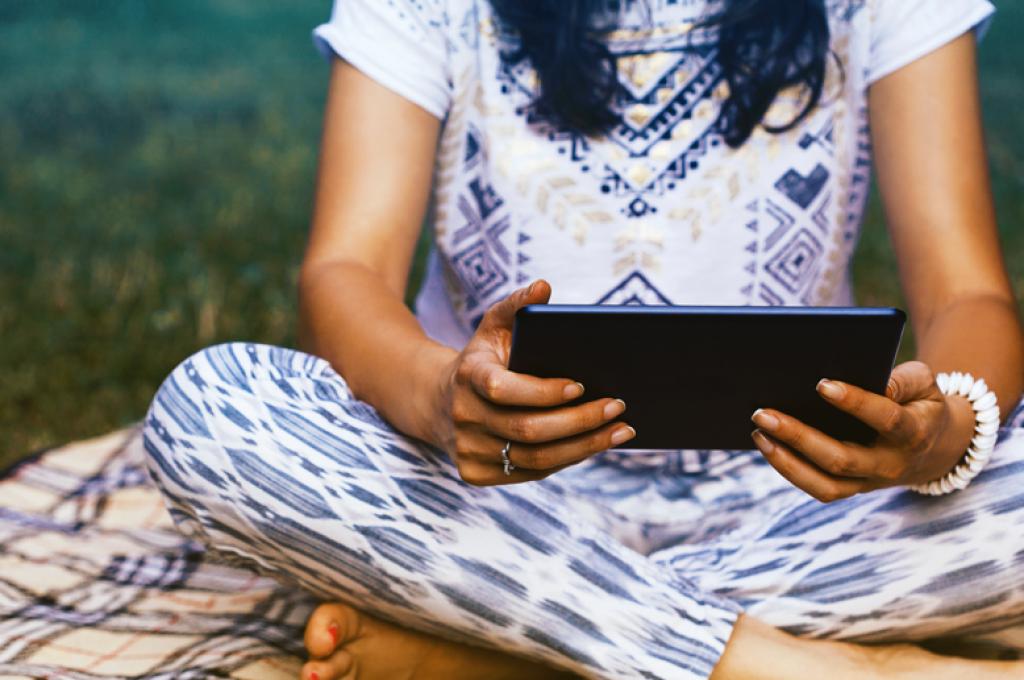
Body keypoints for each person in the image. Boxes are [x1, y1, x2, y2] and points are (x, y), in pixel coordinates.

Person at [142, 0, 1024, 677]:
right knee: (211, 412)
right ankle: (804, 662)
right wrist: (441, 398)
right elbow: (345, 272)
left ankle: (508, 649)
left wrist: (939, 435)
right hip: (491, 493)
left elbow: (968, 292)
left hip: (804, 507)